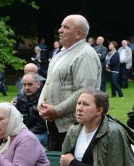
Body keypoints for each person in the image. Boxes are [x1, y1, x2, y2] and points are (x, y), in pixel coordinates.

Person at [38, 14, 102, 151]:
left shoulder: (85, 55)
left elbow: (85, 91)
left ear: (79, 33)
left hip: (73, 126)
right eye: (61, 26)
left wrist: (57, 110)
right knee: (57, 164)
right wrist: (41, 105)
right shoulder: (60, 54)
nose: (60, 30)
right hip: (54, 124)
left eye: (66, 27)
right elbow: (49, 82)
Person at [15, 72, 48, 147]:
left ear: (38, 84)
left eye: (30, 84)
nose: (26, 87)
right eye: (24, 85)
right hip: (24, 132)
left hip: (41, 133)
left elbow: (43, 125)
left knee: (27, 142)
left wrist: (26, 133)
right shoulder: (20, 99)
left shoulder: (44, 99)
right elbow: (16, 119)